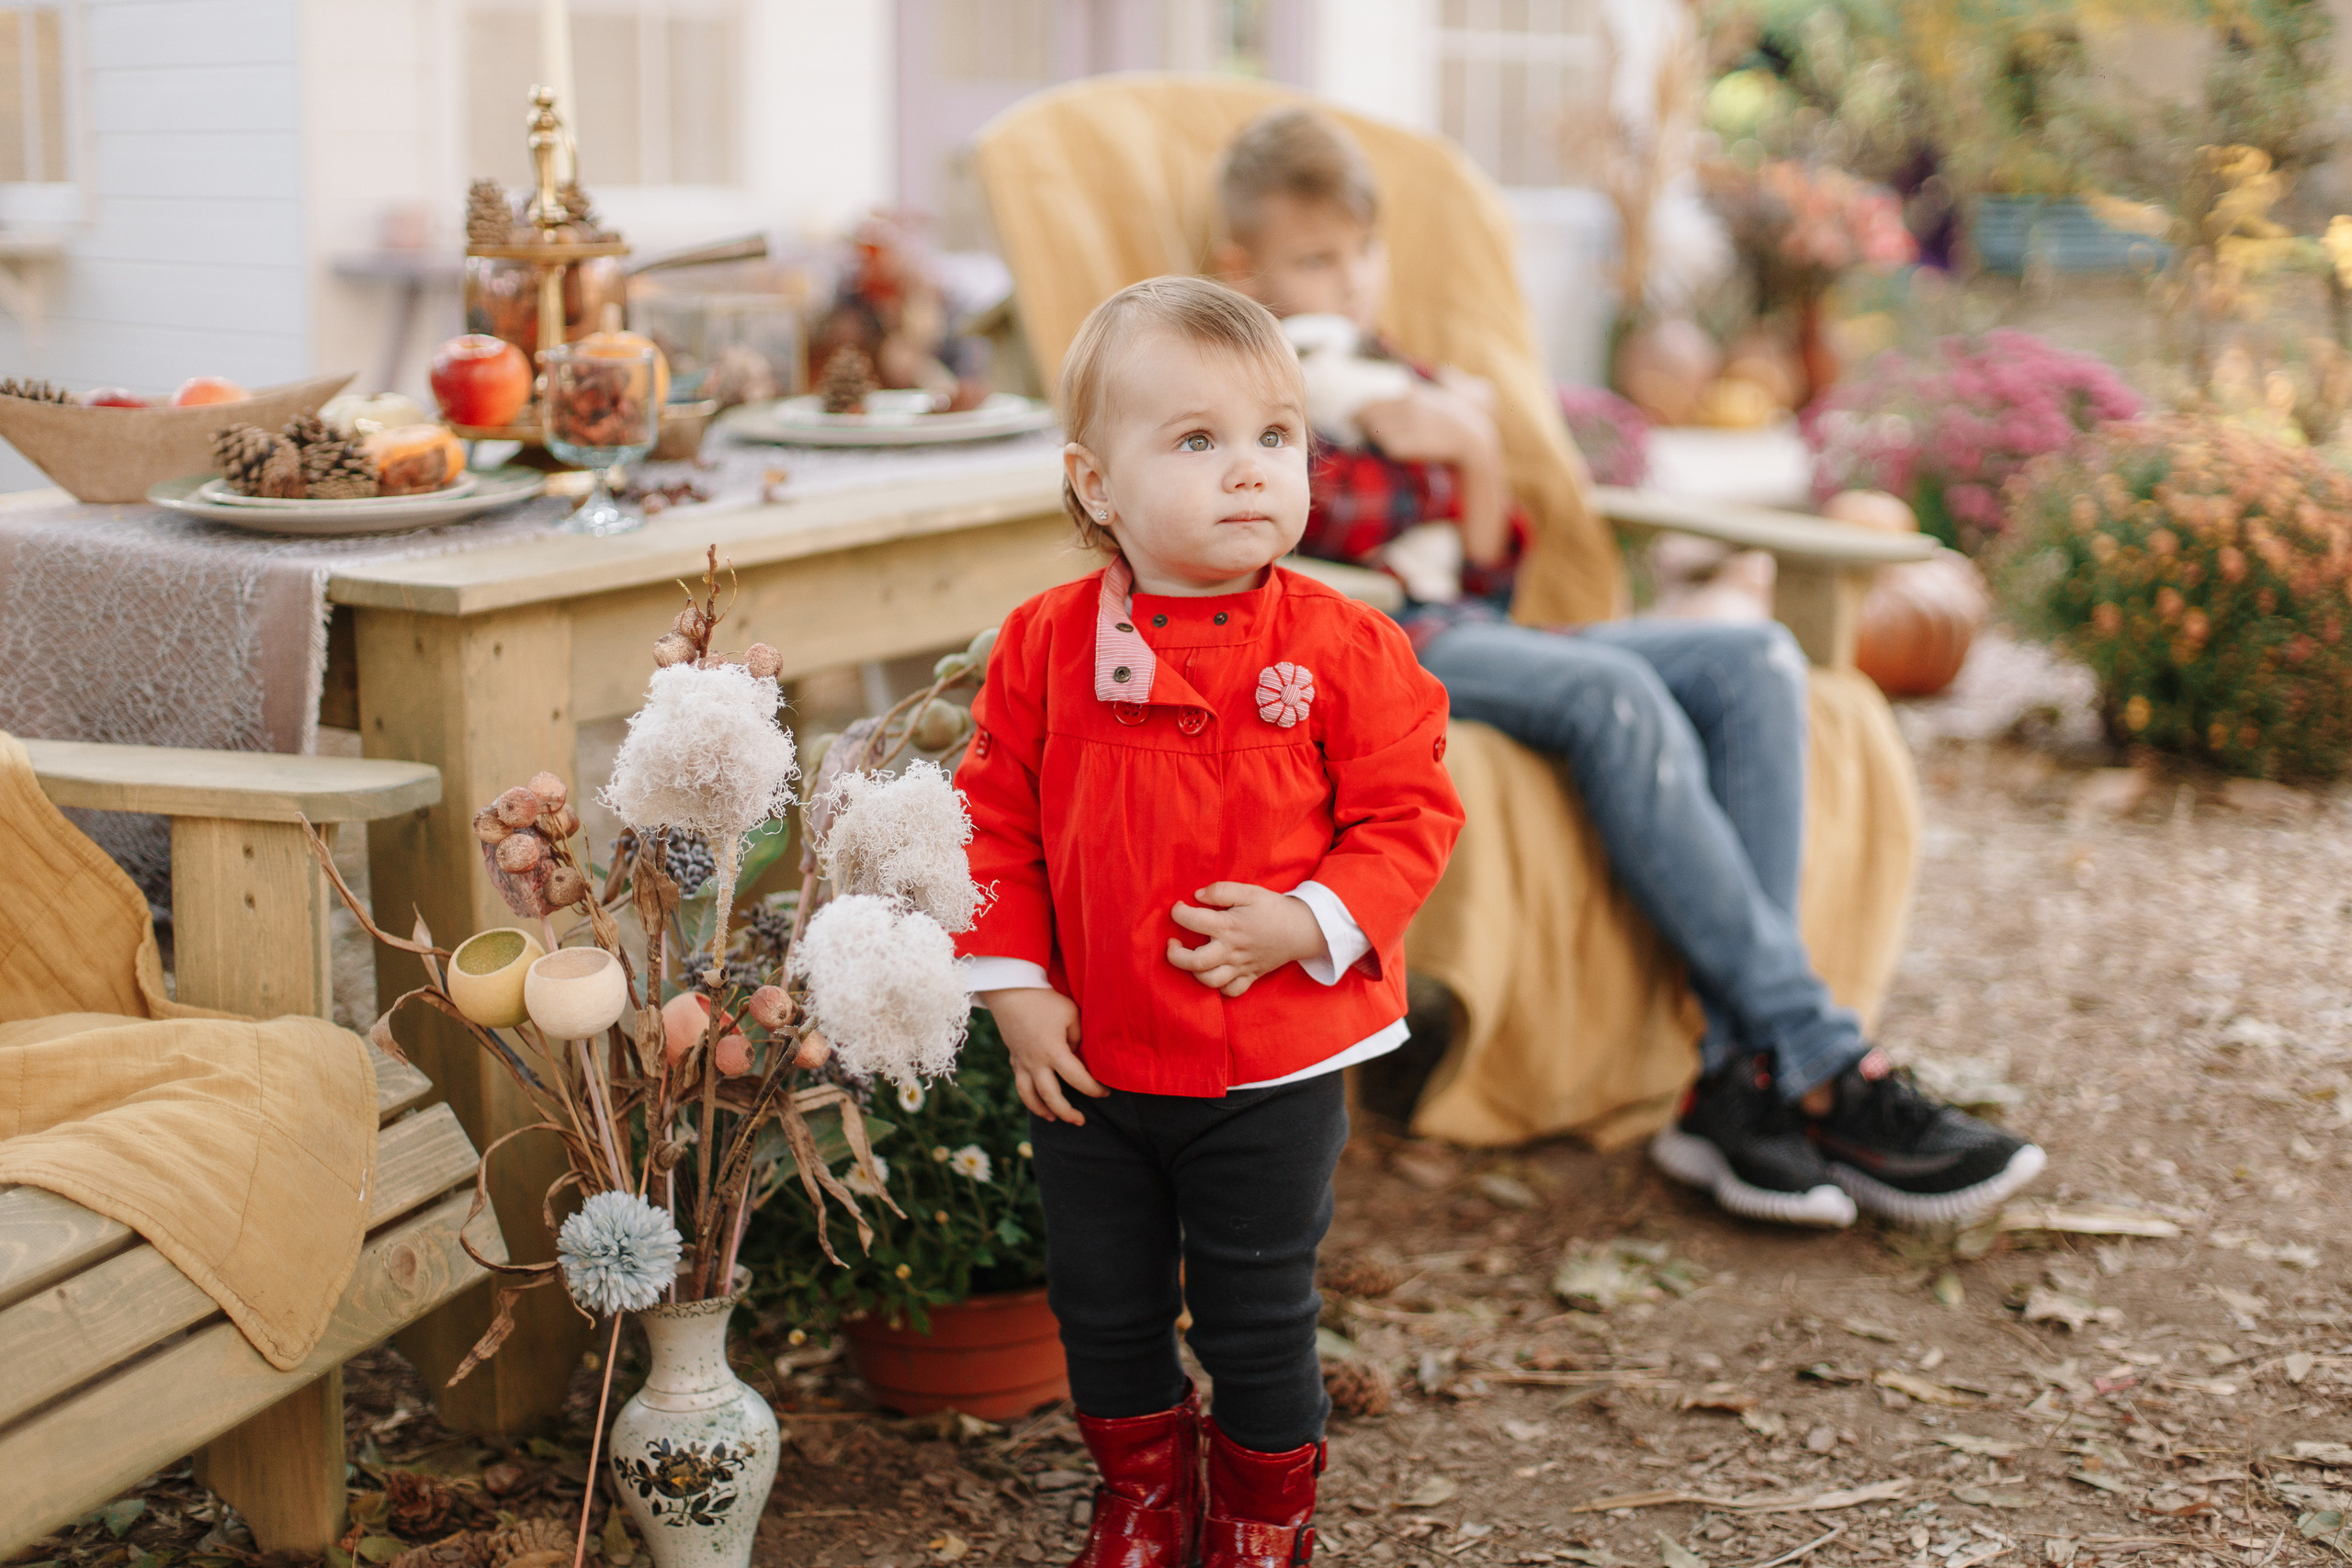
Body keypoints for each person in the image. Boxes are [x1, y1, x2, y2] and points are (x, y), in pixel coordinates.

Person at [1210, 106, 2045, 1232]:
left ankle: (1732, 1093)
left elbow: (1487, 575)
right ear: (1241, 267)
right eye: (1316, 259)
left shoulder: (1403, 373)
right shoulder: (1255, 380)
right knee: (1615, 692)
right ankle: (1818, 1060)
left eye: (1362, 250)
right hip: (1362, 650)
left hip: (1462, 629)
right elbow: (1304, 523)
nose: (1349, 278)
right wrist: (1426, 432)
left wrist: (1473, 448)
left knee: (1752, 653)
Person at [954, 276, 1464, 1568]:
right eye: (1197, 440)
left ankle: (1260, 1511)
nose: (1250, 471)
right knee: (1103, 1302)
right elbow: (990, 821)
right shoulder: (1045, 646)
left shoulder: (1346, 648)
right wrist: (1016, 986)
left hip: (1269, 1062)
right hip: (1093, 1060)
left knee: (1256, 1307)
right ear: (1095, 483)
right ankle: (1140, 1494)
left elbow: (1411, 815)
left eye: (1276, 435)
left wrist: (1308, 918)